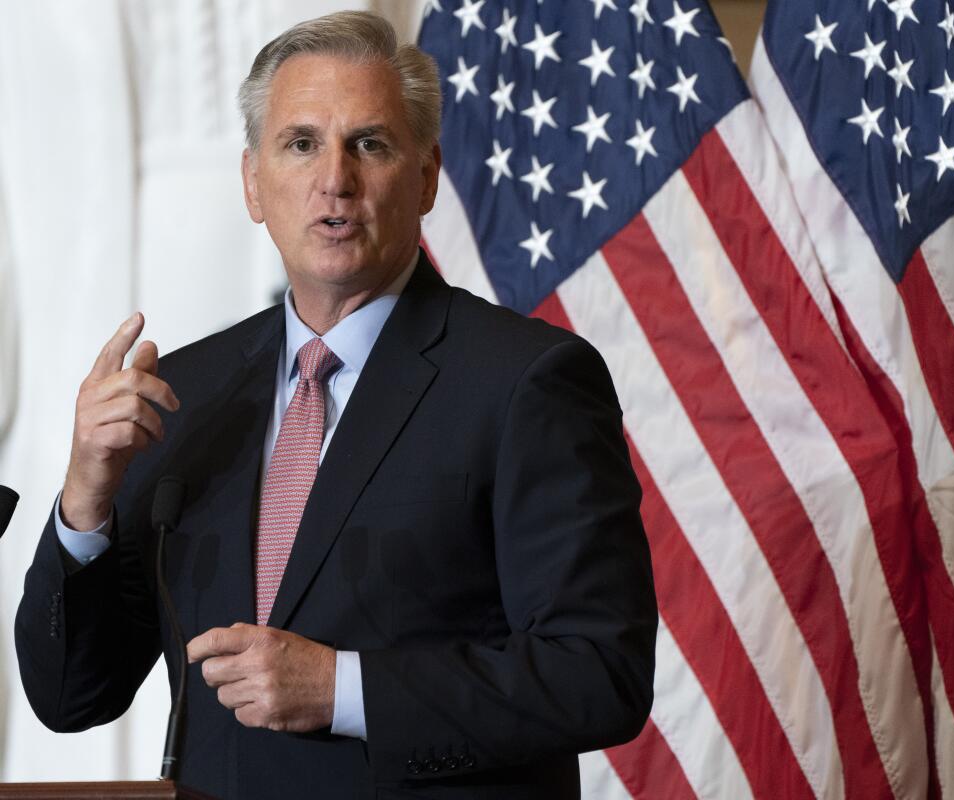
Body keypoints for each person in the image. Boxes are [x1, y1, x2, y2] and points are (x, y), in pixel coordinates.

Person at [14, 11, 657, 799]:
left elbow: (600, 673)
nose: (335, 179)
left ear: (424, 177)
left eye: (371, 143)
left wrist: (345, 690)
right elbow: (73, 695)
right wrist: (85, 502)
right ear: (254, 182)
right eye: (301, 143)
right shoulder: (189, 391)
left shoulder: (528, 381)